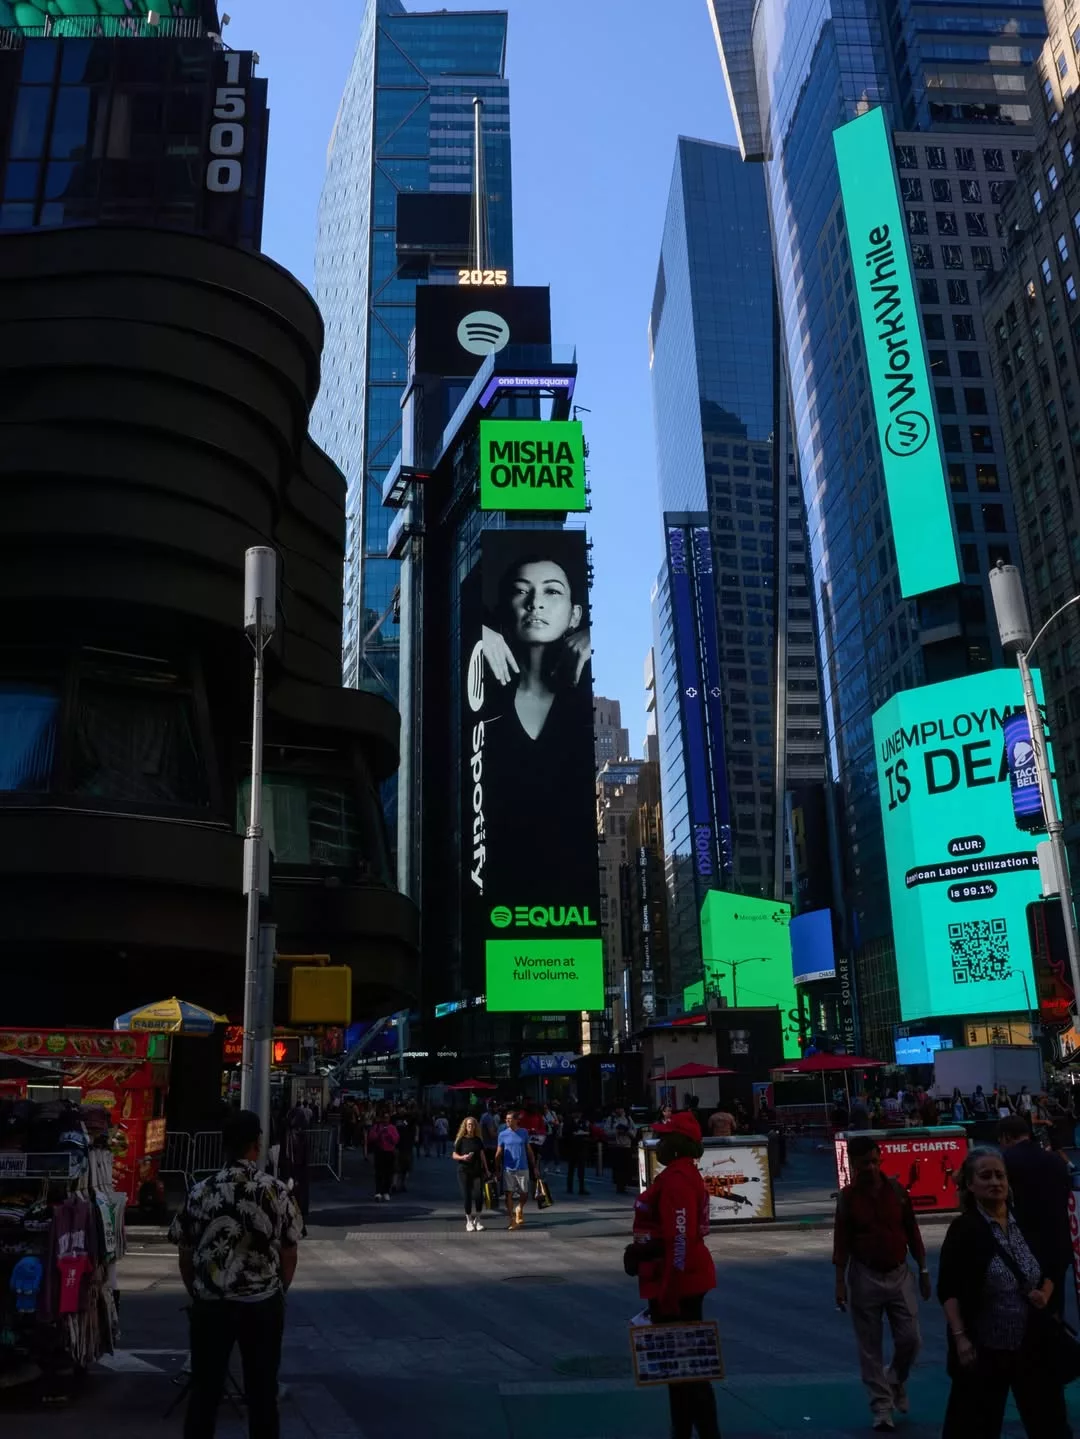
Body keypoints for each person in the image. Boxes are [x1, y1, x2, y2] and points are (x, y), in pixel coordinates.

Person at [168, 1109, 301, 1439]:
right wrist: (277, 1291)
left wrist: (199, 1290)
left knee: (205, 1393)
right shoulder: (275, 1191)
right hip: (262, 1304)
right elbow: (289, 1249)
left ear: (224, 1147)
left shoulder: (200, 1191)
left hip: (211, 1304)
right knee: (262, 1394)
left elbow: (185, 1252)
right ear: (256, 1144)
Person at [938, 1145, 1067, 1438]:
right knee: (974, 1427)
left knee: (1050, 1425)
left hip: (1032, 1345)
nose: (994, 1182)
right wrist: (960, 1338)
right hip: (984, 1349)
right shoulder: (964, 1230)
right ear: (970, 1185)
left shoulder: (1027, 1223)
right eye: (985, 1176)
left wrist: (1045, 1292)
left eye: (1000, 1176)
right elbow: (948, 1288)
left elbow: (1053, 1264)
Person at [629, 1110, 719, 1439]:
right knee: (683, 1368)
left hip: (680, 1284)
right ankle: (684, 1430)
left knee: (689, 1370)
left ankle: (700, 1432)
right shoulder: (679, 1176)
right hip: (681, 1278)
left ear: (678, 1144)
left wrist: (666, 1295)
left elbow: (678, 1242)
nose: (660, 1142)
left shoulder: (678, 1181)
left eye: (666, 1137)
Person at [833, 1135, 931, 1433]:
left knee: (911, 1339)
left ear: (881, 1159)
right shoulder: (848, 1198)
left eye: (875, 1162)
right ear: (853, 1164)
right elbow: (842, 1243)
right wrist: (840, 1283)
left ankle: (895, 1379)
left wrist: (924, 1270)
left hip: (899, 1272)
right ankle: (881, 1408)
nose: (872, 1169)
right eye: (864, 1165)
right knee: (869, 1347)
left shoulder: (898, 1192)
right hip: (864, 1275)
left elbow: (913, 1233)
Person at [998, 1113, 1073, 1320]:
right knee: (1055, 1311)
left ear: (1006, 1137)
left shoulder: (1006, 1162)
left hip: (1025, 1246)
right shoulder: (1056, 1161)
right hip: (1057, 1244)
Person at [495, 1110, 538, 1230]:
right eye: (506, 1119)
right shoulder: (502, 1134)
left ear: (516, 1120)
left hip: (522, 1166)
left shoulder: (523, 1132)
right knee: (508, 1193)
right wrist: (497, 1169)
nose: (508, 1121)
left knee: (524, 1193)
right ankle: (511, 1219)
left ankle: (519, 1208)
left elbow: (529, 1150)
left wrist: (534, 1166)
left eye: (510, 1119)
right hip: (508, 1168)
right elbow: (498, 1153)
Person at [451, 1115, 490, 1232]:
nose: (471, 1127)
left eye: (472, 1125)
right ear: (465, 1126)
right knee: (467, 1196)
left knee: (479, 1196)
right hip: (464, 1170)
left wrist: (487, 1169)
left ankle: (477, 1220)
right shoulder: (461, 1140)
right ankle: (468, 1221)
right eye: (468, 1125)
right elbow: (454, 1155)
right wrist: (463, 1157)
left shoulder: (478, 1140)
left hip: (477, 1170)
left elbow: (482, 1155)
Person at [277, 1105, 310, 1238]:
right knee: (297, 1202)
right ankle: (299, 1227)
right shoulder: (298, 1135)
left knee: (291, 1201)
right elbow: (299, 1158)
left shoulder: (287, 1133)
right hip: (297, 1173)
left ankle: (296, 1226)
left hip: (291, 1172)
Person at [368, 1107, 398, 1201]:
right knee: (379, 1173)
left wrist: (388, 1133)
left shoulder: (392, 1128)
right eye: (384, 1117)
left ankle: (386, 1191)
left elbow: (396, 1140)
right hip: (379, 1152)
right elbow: (371, 1138)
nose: (385, 1119)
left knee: (388, 1173)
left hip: (389, 1152)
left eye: (387, 1117)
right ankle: (378, 1192)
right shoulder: (377, 1127)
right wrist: (380, 1133)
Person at [606, 1105, 637, 1193]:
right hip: (616, 1146)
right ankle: (619, 1185)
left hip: (626, 1145)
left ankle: (624, 1184)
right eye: (618, 1108)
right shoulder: (611, 1119)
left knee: (626, 1166)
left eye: (621, 1108)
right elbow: (607, 1131)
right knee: (618, 1167)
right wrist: (616, 1131)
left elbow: (634, 1131)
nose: (619, 1110)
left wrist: (627, 1132)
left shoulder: (628, 1118)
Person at [563, 1108, 592, 1196]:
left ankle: (581, 1188)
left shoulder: (584, 1122)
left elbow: (588, 1132)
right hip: (572, 1146)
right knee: (571, 1168)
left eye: (579, 1113)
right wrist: (573, 1134)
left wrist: (584, 1134)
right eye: (576, 1113)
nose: (578, 1115)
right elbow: (565, 1133)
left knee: (581, 1169)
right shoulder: (568, 1122)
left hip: (582, 1146)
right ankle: (569, 1187)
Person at [393, 1107, 415, 1192]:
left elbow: (412, 1123)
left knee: (405, 1168)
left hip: (406, 1146)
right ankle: (395, 1184)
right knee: (397, 1167)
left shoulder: (409, 1119)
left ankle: (402, 1184)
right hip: (399, 1146)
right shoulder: (394, 1119)